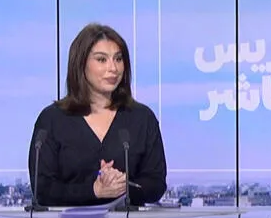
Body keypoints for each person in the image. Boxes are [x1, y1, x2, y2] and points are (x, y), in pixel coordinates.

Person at [28, 23, 167, 208]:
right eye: (102, 60)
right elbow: (42, 189)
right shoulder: (52, 119)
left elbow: (156, 184)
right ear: (81, 64)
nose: (113, 68)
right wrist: (94, 190)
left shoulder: (142, 118)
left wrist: (123, 186)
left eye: (118, 59)